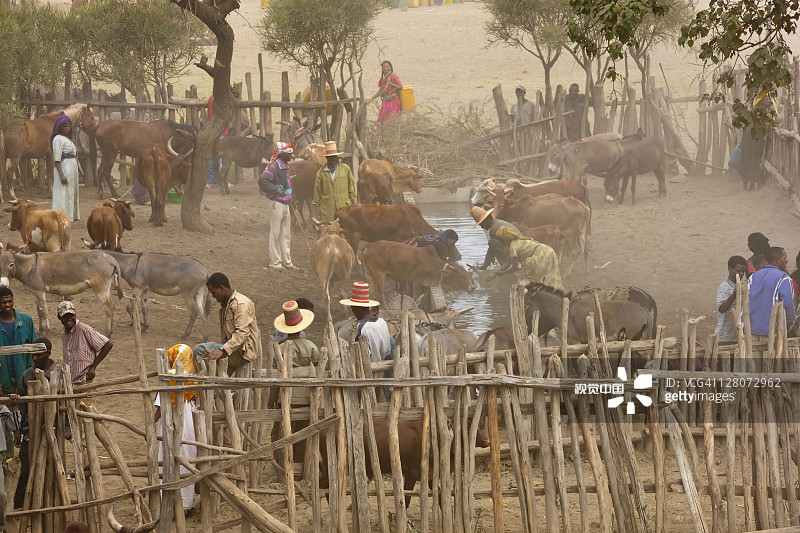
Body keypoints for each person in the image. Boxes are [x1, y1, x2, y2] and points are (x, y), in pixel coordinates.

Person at [269, 301, 320, 451]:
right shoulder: (311, 346)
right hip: (306, 398)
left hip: (284, 398)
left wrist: (271, 401)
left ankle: (282, 466)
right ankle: (300, 469)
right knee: (302, 434)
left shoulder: (279, 348)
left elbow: (273, 379)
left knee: (280, 434)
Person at [154, 344, 198, 513]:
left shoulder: (169, 377)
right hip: (189, 426)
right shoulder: (194, 378)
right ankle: (187, 503)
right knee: (187, 458)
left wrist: (151, 423)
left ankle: (169, 506)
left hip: (169, 422)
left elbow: (159, 405)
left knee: (165, 458)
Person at [10, 338, 53, 509]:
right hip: (29, 432)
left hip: (51, 432)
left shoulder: (60, 374)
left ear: (48, 353)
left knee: (49, 471)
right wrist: (18, 433)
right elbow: (20, 407)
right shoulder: (26, 375)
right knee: (25, 470)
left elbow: (65, 406)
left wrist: (65, 428)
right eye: (33, 355)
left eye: (39, 354)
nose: (35, 358)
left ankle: (45, 505)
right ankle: (20, 508)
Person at [339, 282, 393, 399]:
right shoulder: (382, 322)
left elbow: (360, 352)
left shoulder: (361, 327)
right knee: (376, 394)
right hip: (380, 368)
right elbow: (388, 349)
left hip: (363, 372)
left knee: (361, 398)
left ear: (355, 308)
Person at [205, 272, 262, 377]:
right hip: (233, 349)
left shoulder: (241, 304)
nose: (213, 296)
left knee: (200, 350)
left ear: (222, 288)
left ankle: (218, 383)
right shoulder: (227, 303)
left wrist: (222, 349)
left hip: (242, 353)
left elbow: (242, 333)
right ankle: (220, 382)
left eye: (213, 292)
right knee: (210, 355)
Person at [489, 226, 563, 290]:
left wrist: (503, 273)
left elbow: (515, 267)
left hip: (541, 255)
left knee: (535, 276)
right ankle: (567, 296)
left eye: (500, 239)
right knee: (552, 279)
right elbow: (508, 263)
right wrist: (494, 274)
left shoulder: (513, 247)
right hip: (548, 251)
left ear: (505, 238)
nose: (500, 241)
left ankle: (539, 295)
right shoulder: (517, 241)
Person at [258, 142, 295, 270]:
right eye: (289, 153)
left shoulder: (285, 166)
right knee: (275, 232)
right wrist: (274, 189)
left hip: (286, 203)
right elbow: (262, 180)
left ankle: (286, 261)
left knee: (285, 234)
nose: (291, 155)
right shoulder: (274, 166)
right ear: (281, 154)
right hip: (277, 203)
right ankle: (275, 262)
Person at [59, 301, 113, 386]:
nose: (69, 318)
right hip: (71, 383)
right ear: (59, 317)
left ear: (75, 316)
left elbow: (108, 344)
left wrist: (93, 367)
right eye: (65, 316)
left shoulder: (84, 329)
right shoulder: (64, 334)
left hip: (85, 381)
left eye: (71, 315)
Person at [748, 246, 794, 338]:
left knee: (752, 352)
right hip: (773, 330)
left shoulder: (753, 277)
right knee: (773, 352)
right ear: (777, 260)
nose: (787, 260)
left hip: (751, 329)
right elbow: (788, 304)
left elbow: (745, 301)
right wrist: (788, 324)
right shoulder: (783, 278)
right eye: (785, 258)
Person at [739, 92, 776, 191]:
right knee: (751, 161)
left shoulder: (763, 110)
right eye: (765, 99)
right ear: (761, 101)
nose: (767, 101)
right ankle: (747, 186)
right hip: (751, 138)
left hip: (753, 137)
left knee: (751, 161)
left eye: (768, 99)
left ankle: (749, 186)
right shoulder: (759, 111)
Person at [312, 141, 356, 223]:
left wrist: (353, 200)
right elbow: (317, 191)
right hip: (327, 209)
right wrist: (315, 208)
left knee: (344, 229)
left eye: (334, 157)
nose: (332, 159)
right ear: (326, 158)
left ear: (337, 157)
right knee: (329, 231)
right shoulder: (320, 173)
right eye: (330, 157)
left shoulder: (345, 169)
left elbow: (351, 186)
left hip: (343, 207)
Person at [470, 205, 520, 270]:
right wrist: (485, 265)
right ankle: (508, 264)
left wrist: (484, 265)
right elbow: (491, 249)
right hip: (519, 249)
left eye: (481, 224)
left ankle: (509, 265)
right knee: (493, 244)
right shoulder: (496, 223)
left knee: (492, 242)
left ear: (487, 220)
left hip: (519, 251)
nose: (482, 227)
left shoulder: (494, 229)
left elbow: (492, 247)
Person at [51, 115, 80, 221]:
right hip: (64, 168)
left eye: (69, 126)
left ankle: (69, 215)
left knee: (70, 192)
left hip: (71, 167)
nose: (68, 129)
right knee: (62, 193)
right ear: (60, 127)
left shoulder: (68, 139)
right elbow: (57, 159)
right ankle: (60, 215)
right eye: (65, 127)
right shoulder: (57, 139)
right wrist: (61, 175)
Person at [715, 256, 748, 345]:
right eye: (738, 271)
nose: (741, 274)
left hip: (738, 336)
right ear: (730, 269)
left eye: (743, 271)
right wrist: (734, 295)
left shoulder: (742, 286)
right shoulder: (724, 287)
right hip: (725, 338)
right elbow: (721, 309)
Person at [369, 60, 402, 125]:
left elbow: (400, 87)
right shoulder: (383, 77)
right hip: (386, 102)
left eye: (387, 66)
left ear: (390, 67)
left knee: (390, 120)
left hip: (393, 102)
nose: (385, 68)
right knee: (382, 120)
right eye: (384, 67)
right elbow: (381, 90)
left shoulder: (393, 76)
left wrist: (390, 83)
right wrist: (371, 98)